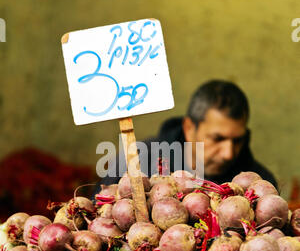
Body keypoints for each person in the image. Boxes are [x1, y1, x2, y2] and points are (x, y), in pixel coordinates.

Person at [97, 79, 277, 189]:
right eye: (218, 138)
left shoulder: (260, 184)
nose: (228, 153)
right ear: (189, 128)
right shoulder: (136, 161)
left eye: (238, 140)